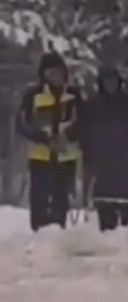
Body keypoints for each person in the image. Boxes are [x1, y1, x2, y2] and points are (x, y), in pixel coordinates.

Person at [15, 51, 83, 231]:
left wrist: (69, 135)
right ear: (43, 74)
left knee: (61, 201)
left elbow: (85, 122)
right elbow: (22, 124)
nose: (56, 76)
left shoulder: (74, 95)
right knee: (39, 201)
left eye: (58, 71)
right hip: (41, 158)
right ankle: (39, 235)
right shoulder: (33, 96)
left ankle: (57, 235)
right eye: (51, 72)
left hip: (66, 157)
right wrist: (43, 138)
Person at [81, 66, 128, 231]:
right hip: (103, 163)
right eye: (106, 82)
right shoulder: (93, 106)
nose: (110, 85)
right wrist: (88, 157)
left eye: (113, 82)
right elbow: (84, 131)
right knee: (106, 211)